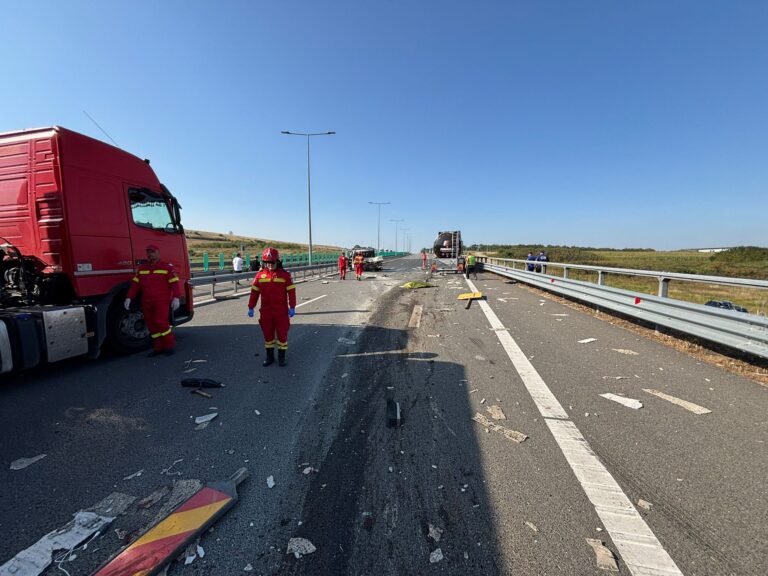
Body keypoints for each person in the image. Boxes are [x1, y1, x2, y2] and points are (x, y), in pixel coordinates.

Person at [124, 244, 181, 357]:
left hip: (161, 300)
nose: (150, 254)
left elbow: (174, 283)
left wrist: (176, 297)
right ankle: (158, 348)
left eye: (153, 251)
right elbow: (136, 284)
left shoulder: (166, 267)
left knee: (161, 322)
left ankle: (169, 345)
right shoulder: (143, 268)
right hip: (146, 301)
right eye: (148, 252)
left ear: (158, 253)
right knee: (151, 325)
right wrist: (129, 297)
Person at [247, 247, 296, 367]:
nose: (269, 265)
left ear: (277, 262)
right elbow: (254, 293)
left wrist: (292, 307)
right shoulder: (259, 276)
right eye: (267, 262)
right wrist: (251, 307)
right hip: (266, 312)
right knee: (268, 335)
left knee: (282, 335)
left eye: (272, 262)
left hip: (281, 312)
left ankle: (281, 358)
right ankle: (269, 358)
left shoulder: (285, 275)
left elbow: (291, 292)